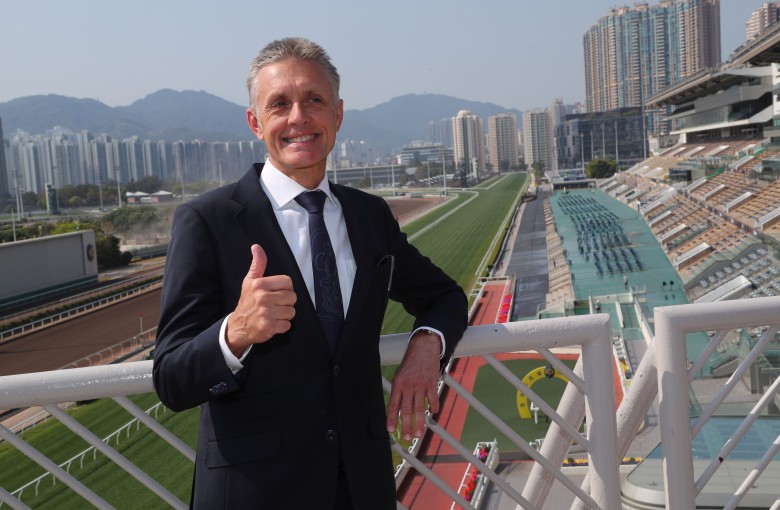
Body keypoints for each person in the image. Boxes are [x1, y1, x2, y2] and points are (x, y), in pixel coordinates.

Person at [152, 37, 468, 510]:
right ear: (255, 123)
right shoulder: (207, 221)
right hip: (254, 494)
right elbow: (171, 378)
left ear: (337, 115)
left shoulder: (370, 216)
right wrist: (235, 332)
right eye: (279, 105)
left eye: (313, 101)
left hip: (361, 488)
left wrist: (426, 347)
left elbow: (443, 296)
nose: (298, 118)